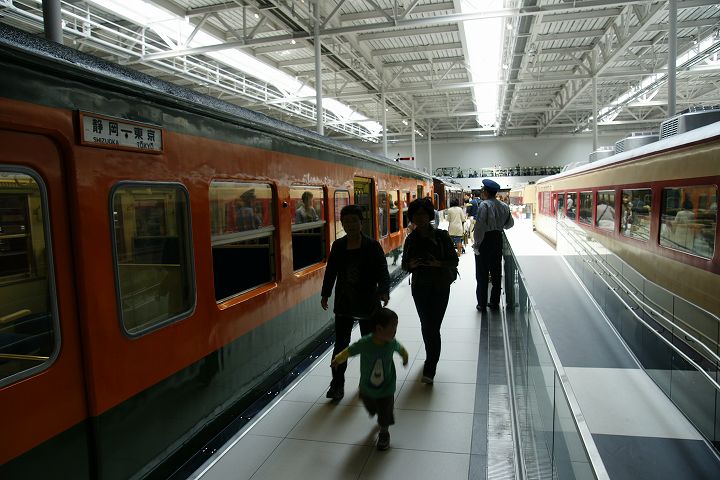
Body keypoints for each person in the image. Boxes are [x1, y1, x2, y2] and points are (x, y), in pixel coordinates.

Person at [321, 204, 390, 401]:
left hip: (368, 301)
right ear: (342, 224)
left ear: (361, 222)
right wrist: (325, 294)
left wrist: (384, 291)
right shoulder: (338, 246)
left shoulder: (372, 246)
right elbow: (331, 271)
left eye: (354, 221)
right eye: (346, 221)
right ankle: (337, 384)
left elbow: (382, 270)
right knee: (341, 346)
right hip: (345, 302)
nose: (350, 225)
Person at [330, 307, 409, 451]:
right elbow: (350, 350)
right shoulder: (365, 343)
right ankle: (376, 410)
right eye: (393, 328)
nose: (395, 332)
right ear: (379, 329)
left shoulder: (391, 343)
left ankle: (384, 433)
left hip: (387, 385)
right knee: (369, 403)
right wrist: (338, 359)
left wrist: (405, 358)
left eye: (396, 328)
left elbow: (401, 349)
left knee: (385, 410)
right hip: (367, 385)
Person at [401, 198, 459, 384]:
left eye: (423, 214)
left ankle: (430, 365)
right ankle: (430, 359)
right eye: (416, 214)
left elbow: (454, 261)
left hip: (440, 286)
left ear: (429, 215)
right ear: (412, 217)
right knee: (427, 325)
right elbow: (404, 265)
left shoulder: (441, 236)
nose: (420, 217)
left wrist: (437, 263)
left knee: (432, 327)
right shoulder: (411, 239)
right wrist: (412, 264)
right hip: (420, 288)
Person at [473, 179, 514, 312]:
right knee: (496, 273)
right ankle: (494, 302)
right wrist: (499, 225)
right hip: (497, 240)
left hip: (485, 241)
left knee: (482, 274)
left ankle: (482, 303)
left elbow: (479, 227)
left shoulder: (484, 205)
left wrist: (477, 245)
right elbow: (510, 224)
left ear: (485, 191)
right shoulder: (504, 206)